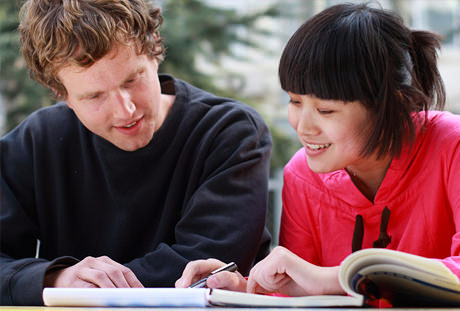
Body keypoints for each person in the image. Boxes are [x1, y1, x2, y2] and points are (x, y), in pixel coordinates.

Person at [176, 1, 460, 302]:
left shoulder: (452, 147)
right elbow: (302, 294)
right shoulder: (302, 175)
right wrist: (246, 289)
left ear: (394, 104)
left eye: (326, 110)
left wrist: (333, 278)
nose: (304, 126)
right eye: (295, 101)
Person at [0, 0, 272, 306]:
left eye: (132, 79)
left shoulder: (229, 133)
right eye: (94, 96)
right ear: (61, 94)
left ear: (154, 49)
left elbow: (209, 265)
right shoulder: (37, 142)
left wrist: (85, 292)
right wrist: (55, 279)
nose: (125, 110)